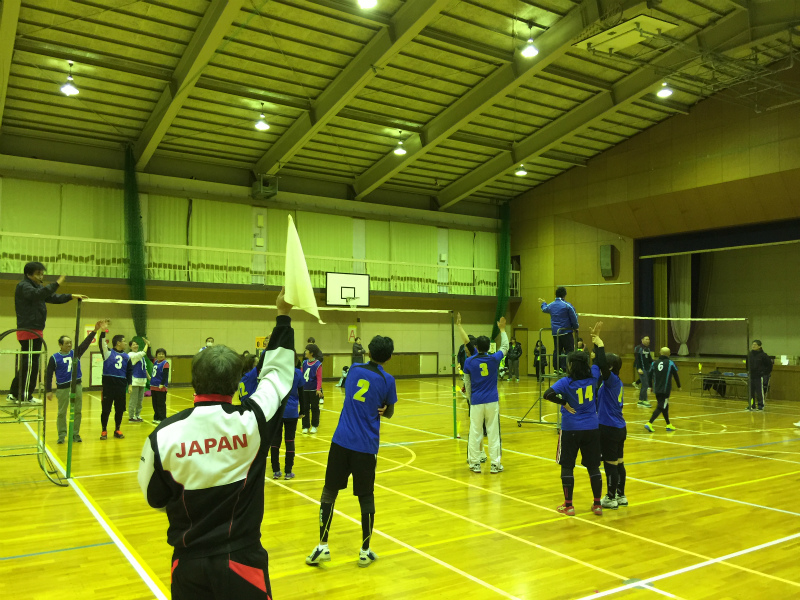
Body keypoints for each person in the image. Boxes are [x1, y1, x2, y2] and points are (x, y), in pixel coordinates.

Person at [138, 288, 295, 600]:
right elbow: (277, 376)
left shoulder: (162, 436)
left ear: (194, 380)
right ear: (236, 384)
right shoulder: (252, 422)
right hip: (242, 562)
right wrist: (283, 316)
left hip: (189, 566)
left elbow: (154, 498)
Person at [305, 335, 397, 569]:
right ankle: (365, 551)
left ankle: (322, 546)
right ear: (389, 357)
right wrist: (384, 408)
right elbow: (388, 412)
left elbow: (350, 391)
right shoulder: (388, 380)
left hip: (341, 441)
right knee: (366, 496)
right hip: (366, 446)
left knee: (329, 492)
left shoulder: (354, 369)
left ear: (368, 352)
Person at [8, 262, 87, 404]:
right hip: (29, 330)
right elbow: (38, 294)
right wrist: (57, 283)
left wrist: (70, 296)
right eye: (38, 274)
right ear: (29, 274)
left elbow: (53, 297)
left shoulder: (37, 287)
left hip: (35, 330)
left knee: (28, 364)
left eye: (42, 273)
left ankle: (14, 394)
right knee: (31, 365)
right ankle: (24, 396)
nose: (41, 276)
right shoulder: (24, 286)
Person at [543, 347, 603, 516]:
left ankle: (569, 505)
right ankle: (597, 504)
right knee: (594, 467)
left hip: (571, 428)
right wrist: (597, 345)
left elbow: (547, 394)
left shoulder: (566, 382)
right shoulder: (593, 376)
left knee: (567, 465)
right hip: (591, 427)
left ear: (571, 365)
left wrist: (563, 403)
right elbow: (599, 360)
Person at [45, 319, 108, 444]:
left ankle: (75, 434)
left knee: (77, 411)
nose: (69, 345)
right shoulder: (54, 358)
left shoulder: (75, 353)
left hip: (77, 386)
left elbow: (86, 343)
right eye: (66, 343)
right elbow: (49, 374)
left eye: (70, 343)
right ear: (60, 345)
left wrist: (95, 330)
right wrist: (48, 390)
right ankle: (61, 435)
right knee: (62, 412)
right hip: (63, 388)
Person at [463, 318, 508, 474]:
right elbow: (505, 346)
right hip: (492, 401)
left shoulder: (469, 362)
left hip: (476, 401)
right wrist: (502, 330)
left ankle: (474, 463)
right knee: (493, 432)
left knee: (475, 432)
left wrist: (470, 399)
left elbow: (467, 383)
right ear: (489, 347)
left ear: (476, 347)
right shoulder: (494, 359)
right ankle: (495, 464)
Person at [590, 325, 628, 510]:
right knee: (619, 462)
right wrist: (596, 343)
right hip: (619, 427)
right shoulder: (616, 382)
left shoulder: (611, 380)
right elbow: (599, 364)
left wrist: (601, 344)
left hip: (609, 428)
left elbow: (602, 366)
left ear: (611, 367)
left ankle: (611, 497)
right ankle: (621, 495)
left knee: (611, 464)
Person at [98, 330, 148, 440]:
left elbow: (129, 371)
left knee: (119, 410)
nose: (126, 343)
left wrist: (129, 384)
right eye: (124, 341)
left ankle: (117, 429)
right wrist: (103, 331)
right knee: (106, 410)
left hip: (120, 386)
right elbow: (101, 343)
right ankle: (104, 430)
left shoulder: (126, 357)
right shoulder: (108, 353)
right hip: (108, 386)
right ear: (118, 343)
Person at [271, 364, 304, 480]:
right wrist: (303, 410)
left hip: (277, 410)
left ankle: (276, 471)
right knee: (290, 441)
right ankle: (288, 472)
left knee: (275, 441)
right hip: (291, 411)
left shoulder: (276, 371)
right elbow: (302, 393)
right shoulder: (297, 373)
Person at [539, 287, 579, 374]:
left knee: (557, 350)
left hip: (555, 333)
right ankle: (566, 368)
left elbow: (544, 309)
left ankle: (556, 369)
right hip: (566, 332)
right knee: (569, 350)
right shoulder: (567, 305)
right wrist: (576, 327)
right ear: (565, 295)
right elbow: (574, 317)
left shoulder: (551, 305)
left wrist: (543, 303)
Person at [644, 347, 681, 432]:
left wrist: (650, 386)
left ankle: (668, 424)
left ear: (660, 353)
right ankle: (649, 423)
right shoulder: (670, 363)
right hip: (665, 390)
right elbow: (675, 375)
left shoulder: (654, 363)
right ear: (669, 354)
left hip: (657, 389)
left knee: (665, 406)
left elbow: (649, 375)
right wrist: (679, 386)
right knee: (661, 407)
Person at [301, 344, 323, 434]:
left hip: (313, 390)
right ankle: (305, 426)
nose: (305, 352)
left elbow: (319, 378)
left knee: (314, 408)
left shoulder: (318, 364)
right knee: (305, 408)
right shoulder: (304, 363)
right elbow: (301, 375)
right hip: (305, 389)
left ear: (311, 353)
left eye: (307, 350)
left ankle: (314, 425)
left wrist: (318, 389)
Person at [128, 339, 150, 423]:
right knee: (133, 400)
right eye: (133, 344)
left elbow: (145, 369)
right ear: (130, 347)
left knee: (140, 401)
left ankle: (137, 415)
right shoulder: (131, 355)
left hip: (142, 381)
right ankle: (131, 416)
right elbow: (143, 353)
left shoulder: (141, 358)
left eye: (136, 344)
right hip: (135, 381)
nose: (135, 346)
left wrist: (149, 378)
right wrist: (147, 344)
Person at [747, 340, 772, 411]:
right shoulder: (750, 354)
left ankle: (760, 405)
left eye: (755, 345)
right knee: (751, 392)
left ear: (759, 346)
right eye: (753, 344)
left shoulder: (763, 355)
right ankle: (752, 405)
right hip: (751, 375)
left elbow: (769, 366)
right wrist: (748, 371)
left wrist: (764, 373)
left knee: (759, 391)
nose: (753, 346)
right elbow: (747, 364)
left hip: (759, 376)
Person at [150, 348, 170, 423]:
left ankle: (162, 418)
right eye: (159, 354)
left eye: (162, 354)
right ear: (156, 355)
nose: (161, 355)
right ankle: (156, 417)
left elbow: (165, 375)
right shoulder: (155, 362)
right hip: (153, 386)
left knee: (160, 403)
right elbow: (149, 356)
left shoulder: (165, 363)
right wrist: (148, 346)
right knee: (154, 403)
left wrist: (162, 384)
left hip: (160, 387)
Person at [634, 335, 654, 408]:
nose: (648, 340)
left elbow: (650, 359)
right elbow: (637, 359)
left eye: (648, 339)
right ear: (642, 340)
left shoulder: (647, 349)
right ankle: (645, 400)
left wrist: (654, 364)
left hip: (647, 369)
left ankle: (641, 400)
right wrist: (639, 368)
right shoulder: (638, 348)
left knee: (645, 385)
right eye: (646, 339)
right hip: (642, 369)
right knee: (645, 385)